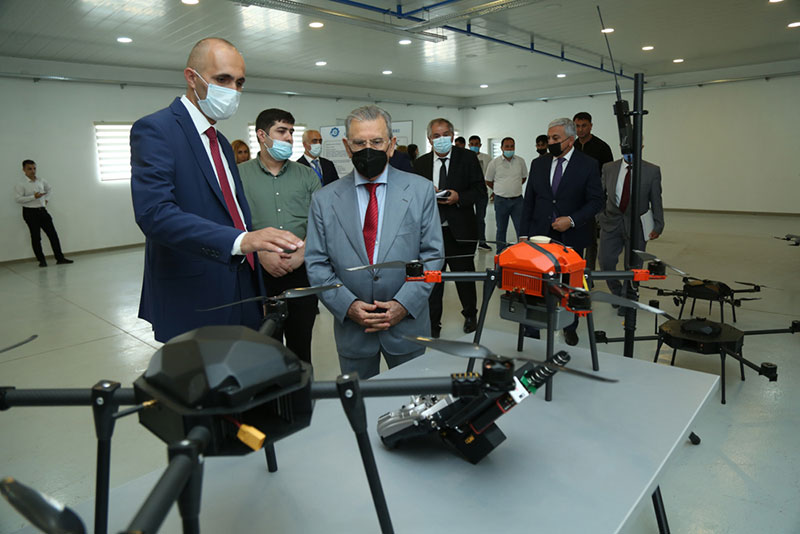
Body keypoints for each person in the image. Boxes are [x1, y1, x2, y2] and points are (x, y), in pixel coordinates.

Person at [130, 37, 302, 343]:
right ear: (191, 77)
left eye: (239, 82)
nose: (233, 90)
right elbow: (155, 214)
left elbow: (233, 212)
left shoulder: (220, 141)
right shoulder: (157, 130)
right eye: (222, 79)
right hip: (194, 292)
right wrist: (242, 240)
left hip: (243, 284)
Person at [305, 105, 443, 379]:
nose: (368, 150)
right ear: (347, 147)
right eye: (359, 143)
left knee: (412, 399)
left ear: (391, 145)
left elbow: (433, 257)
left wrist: (404, 303)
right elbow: (316, 263)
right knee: (360, 402)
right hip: (353, 331)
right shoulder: (324, 199)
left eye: (377, 142)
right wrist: (347, 305)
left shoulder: (420, 190)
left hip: (408, 328)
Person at [239, 108, 321, 362]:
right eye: (281, 131)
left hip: (301, 270)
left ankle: (302, 388)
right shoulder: (238, 175)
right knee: (266, 348)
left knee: (301, 345)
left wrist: (302, 253)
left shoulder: (306, 175)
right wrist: (259, 253)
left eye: (291, 132)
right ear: (262, 135)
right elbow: (231, 222)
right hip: (257, 272)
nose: (288, 138)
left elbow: (323, 221)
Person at [520, 117, 604, 346]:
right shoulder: (539, 164)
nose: (550, 142)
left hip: (571, 236)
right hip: (539, 236)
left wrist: (572, 220)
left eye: (555, 138)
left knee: (570, 285)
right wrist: (523, 235)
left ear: (570, 140)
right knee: (535, 284)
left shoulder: (588, 164)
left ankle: (569, 326)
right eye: (549, 138)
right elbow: (529, 201)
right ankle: (532, 329)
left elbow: (596, 201)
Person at [412, 118, 486, 337]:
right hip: (431, 232)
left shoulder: (468, 158)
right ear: (429, 139)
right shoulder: (420, 164)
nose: (441, 139)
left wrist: (459, 197)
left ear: (453, 136)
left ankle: (470, 314)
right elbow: (413, 195)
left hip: (461, 230)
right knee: (433, 279)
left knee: (464, 276)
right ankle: (433, 323)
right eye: (436, 136)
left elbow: (480, 191)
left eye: (445, 135)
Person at [598, 150, 665, 313]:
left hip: (637, 224)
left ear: (641, 146)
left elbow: (656, 199)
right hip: (611, 222)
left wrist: (658, 224)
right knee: (605, 261)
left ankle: (628, 300)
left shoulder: (652, 171)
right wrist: (599, 216)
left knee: (634, 265)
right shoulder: (609, 168)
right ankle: (617, 293)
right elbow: (600, 195)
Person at [572, 112, 614, 272]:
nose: (580, 129)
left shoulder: (602, 147)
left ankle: (588, 273)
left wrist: (604, 198)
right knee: (573, 236)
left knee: (590, 239)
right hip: (573, 199)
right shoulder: (571, 146)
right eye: (577, 126)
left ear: (591, 126)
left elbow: (609, 174)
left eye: (584, 126)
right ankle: (574, 270)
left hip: (594, 199)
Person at [15, 160, 73, 267]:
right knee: (36, 237)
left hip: (42, 211)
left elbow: (49, 189)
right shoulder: (21, 183)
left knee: (53, 235)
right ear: (24, 170)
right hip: (30, 212)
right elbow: (18, 199)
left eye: (34, 168)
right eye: (29, 169)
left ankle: (60, 258)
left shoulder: (41, 180)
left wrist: (46, 199)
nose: (33, 171)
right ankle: (41, 260)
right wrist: (33, 197)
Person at [485, 137, 527, 250]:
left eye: (512, 146)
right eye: (507, 146)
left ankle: (523, 252)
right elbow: (488, 180)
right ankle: (500, 253)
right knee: (501, 229)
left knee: (521, 228)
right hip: (501, 201)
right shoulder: (494, 163)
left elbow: (523, 177)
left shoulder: (520, 161)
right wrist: (499, 189)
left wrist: (513, 187)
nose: (509, 149)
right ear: (501, 148)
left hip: (518, 201)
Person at [468, 135, 492, 250]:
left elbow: (492, 175)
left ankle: (482, 242)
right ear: (469, 145)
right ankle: (469, 242)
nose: (474, 146)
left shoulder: (487, 158)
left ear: (480, 145)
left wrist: (493, 191)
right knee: (467, 218)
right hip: (468, 192)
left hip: (482, 192)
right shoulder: (465, 157)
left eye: (476, 144)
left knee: (480, 219)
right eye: (472, 144)